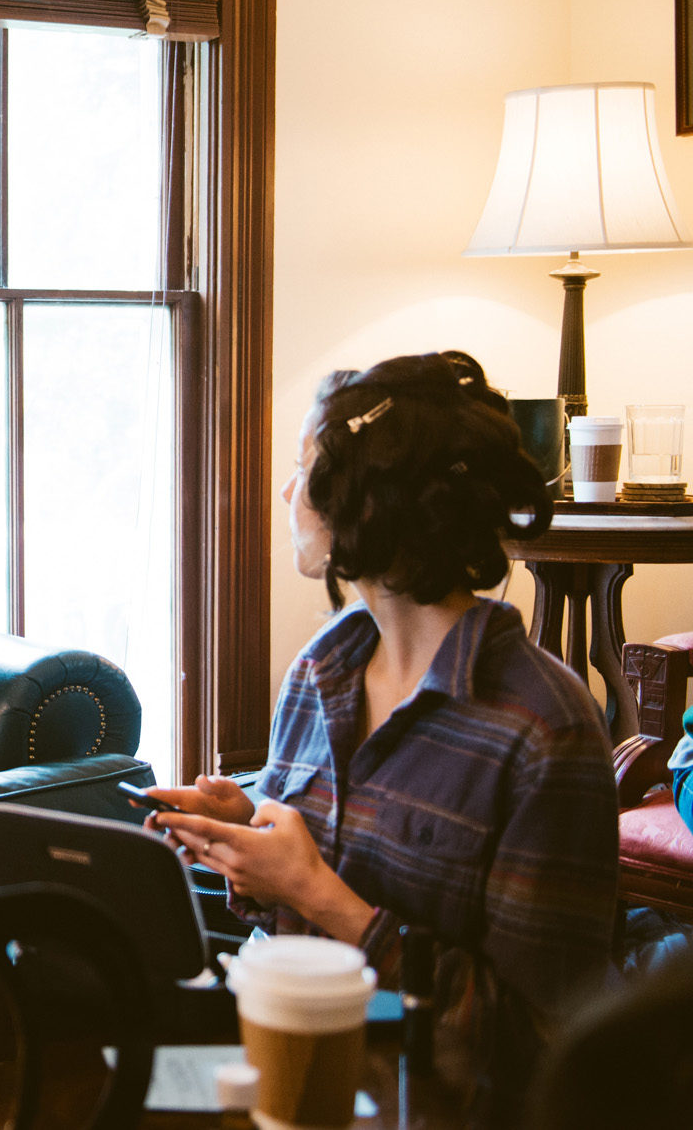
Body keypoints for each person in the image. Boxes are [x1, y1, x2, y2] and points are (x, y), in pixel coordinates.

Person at [148, 351, 617, 1128]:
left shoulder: (543, 730)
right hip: (299, 1081)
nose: (288, 492)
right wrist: (248, 834)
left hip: (437, 1109)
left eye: (304, 470)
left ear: (371, 504)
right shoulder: (319, 673)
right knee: (117, 1082)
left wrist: (320, 895)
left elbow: (544, 1043)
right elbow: (289, 926)